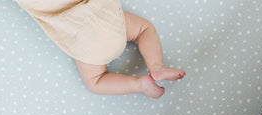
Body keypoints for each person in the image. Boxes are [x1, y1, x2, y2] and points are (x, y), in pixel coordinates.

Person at [16, 0, 186, 98]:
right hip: (105, 15)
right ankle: (156, 66)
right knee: (144, 30)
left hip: (79, 34)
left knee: (96, 81)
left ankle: (138, 84)